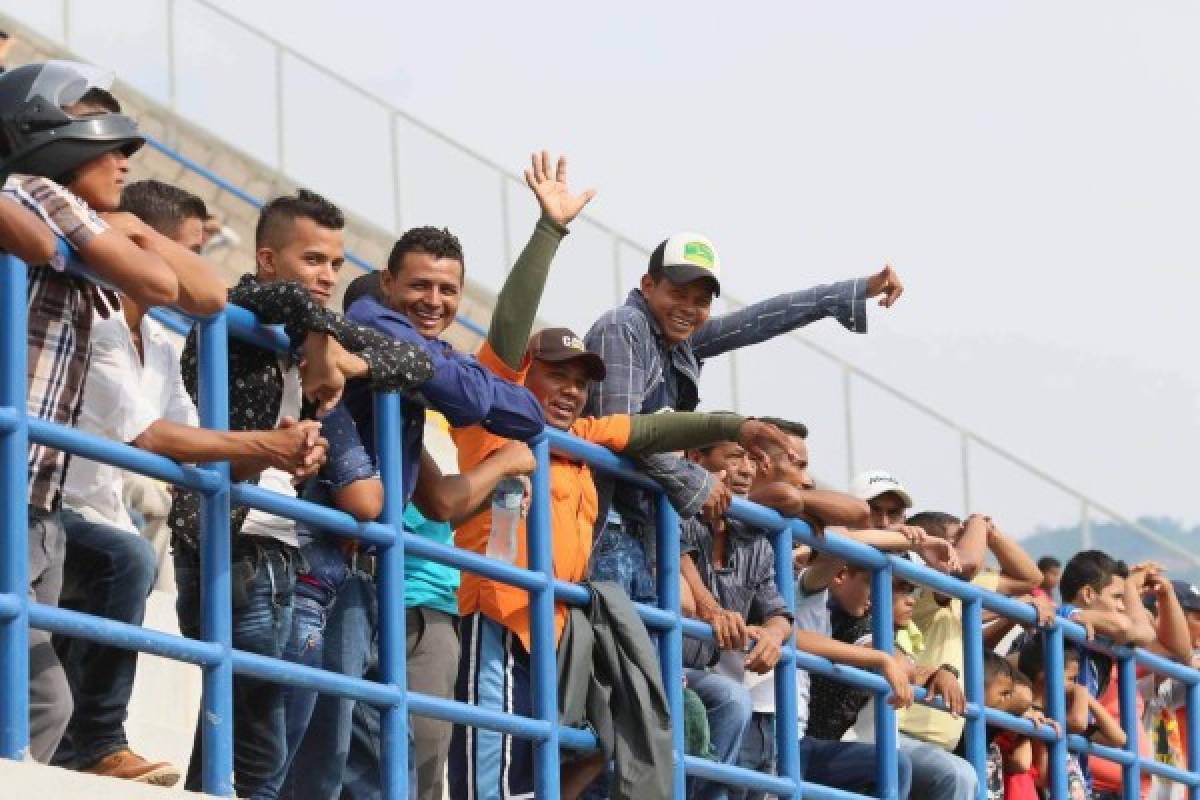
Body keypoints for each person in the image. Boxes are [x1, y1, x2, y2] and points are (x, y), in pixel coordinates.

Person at [446, 152, 794, 800]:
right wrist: (550, 231)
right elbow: (509, 326)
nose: (571, 391)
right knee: (485, 783)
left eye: (583, 382)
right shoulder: (498, 414)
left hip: (554, 637)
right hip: (497, 622)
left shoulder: (580, 439)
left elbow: (649, 430)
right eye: (558, 375)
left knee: (547, 775)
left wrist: (735, 426)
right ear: (526, 375)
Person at [289, 159, 549, 800]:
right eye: (420, 286)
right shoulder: (372, 322)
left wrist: (487, 429)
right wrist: (458, 381)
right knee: (322, 733)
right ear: (386, 283)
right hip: (327, 559)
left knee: (386, 751)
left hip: (389, 578)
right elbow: (476, 393)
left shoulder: (405, 390)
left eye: (448, 291)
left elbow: (514, 420)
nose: (434, 301)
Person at [51, 179, 323, 786]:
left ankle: (84, 744)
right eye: (188, 252)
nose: (195, 270)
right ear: (139, 242)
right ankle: (98, 741)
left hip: (99, 514)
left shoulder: (157, 340)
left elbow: (198, 447)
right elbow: (150, 436)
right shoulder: (91, 312)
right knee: (125, 562)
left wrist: (288, 453)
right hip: (47, 507)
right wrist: (261, 445)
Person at [168, 188, 435, 799]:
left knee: (260, 742)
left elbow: (414, 362)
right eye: (313, 259)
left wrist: (339, 359)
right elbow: (280, 298)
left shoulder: (300, 326)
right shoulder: (236, 309)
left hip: (277, 551)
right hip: (227, 538)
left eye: (337, 265)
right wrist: (320, 338)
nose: (327, 276)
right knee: (253, 739)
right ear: (266, 257)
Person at [0, 60, 220, 765]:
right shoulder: (37, 190)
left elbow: (209, 296)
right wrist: (116, 231)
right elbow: (160, 280)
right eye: (109, 146)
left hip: (36, 492)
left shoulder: (62, 208)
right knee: (38, 698)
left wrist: (122, 225)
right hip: (15, 482)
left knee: (36, 696)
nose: (124, 161)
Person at [583, 229, 905, 605]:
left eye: (700, 301)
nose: (688, 308)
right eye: (677, 294)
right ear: (648, 285)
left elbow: (757, 321)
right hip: (601, 521)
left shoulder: (678, 343)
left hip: (640, 527)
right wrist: (693, 478)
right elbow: (618, 428)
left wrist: (855, 290)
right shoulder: (625, 327)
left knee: (640, 652)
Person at [696, 420, 927, 799]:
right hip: (751, 706)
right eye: (797, 465)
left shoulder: (778, 540)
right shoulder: (754, 532)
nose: (805, 480)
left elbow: (853, 521)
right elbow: (799, 629)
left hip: (779, 719)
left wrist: (917, 539)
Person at [1056, 553, 1191, 798]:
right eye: (1118, 597)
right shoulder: (1066, 620)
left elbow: (1178, 651)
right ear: (1088, 594)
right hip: (1092, 781)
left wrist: (1164, 593)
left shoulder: (1113, 649)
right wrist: (1129, 583)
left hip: (1123, 783)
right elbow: (1134, 629)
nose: (1123, 606)